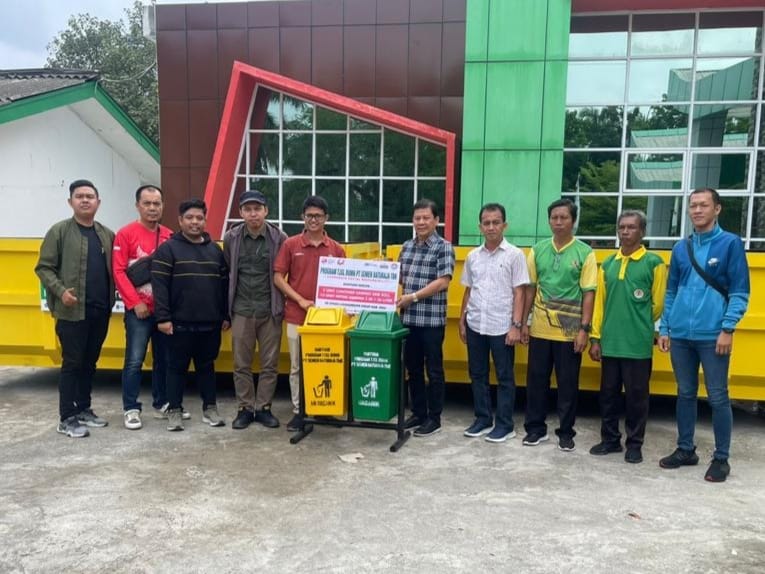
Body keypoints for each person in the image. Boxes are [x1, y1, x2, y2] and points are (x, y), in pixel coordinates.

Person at [658, 188, 750, 482]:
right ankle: (686, 449)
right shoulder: (680, 248)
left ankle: (721, 458)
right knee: (685, 393)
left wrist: (728, 328)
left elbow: (740, 292)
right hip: (681, 336)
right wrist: (665, 327)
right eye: (693, 205)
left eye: (703, 205)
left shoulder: (730, 244)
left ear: (717, 209)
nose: (697, 210)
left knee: (718, 396)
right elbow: (671, 292)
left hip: (713, 336)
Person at [35, 179, 114, 438]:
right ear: (71, 202)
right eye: (79, 196)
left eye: (90, 196)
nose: (85, 200)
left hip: (100, 311)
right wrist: (61, 291)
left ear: (98, 202)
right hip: (72, 313)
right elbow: (43, 267)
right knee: (72, 363)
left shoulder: (106, 234)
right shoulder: (59, 231)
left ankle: (83, 408)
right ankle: (66, 417)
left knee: (90, 363)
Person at [588, 210, 666, 464]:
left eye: (631, 227)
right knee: (608, 395)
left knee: (637, 398)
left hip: (637, 344)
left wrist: (638, 322)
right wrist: (595, 338)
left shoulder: (654, 263)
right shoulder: (608, 264)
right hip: (610, 342)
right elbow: (599, 304)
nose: (625, 231)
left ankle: (634, 444)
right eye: (622, 227)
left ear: (642, 231)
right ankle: (610, 440)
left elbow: (658, 304)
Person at [521, 198, 597, 452]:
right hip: (540, 329)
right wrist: (524, 322)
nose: (559, 222)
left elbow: (589, 293)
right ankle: (535, 429)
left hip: (570, 332)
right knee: (536, 383)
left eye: (564, 217)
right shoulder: (538, 250)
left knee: (568, 386)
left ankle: (566, 433)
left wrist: (584, 330)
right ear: (549, 221)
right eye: (554, 217)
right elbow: (530, 289)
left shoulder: (585, 253)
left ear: (573, 221)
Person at [151, 199, 229, 432]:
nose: (195, 222)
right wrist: (163, 318)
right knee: (175, 368)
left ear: (205, 220)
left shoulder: (215, 251)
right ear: (180, 220)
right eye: (190, 218)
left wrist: (225, 315)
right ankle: (174, 411)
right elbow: (159, 287)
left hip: (210, 324)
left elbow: (224, 286)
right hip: (178, 324)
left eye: (199, 218)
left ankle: (210, 409)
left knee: (207, 367)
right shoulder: (168, 249)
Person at [273, 195, 345, 431]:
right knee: (297, 366)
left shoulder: (336, 249)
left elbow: (345, 282)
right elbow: (278, 277)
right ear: (302, 217)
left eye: (318, 216)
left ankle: (324, 409)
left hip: (328, 320)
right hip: (297, 315)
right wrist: (300, 300)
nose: (314, 220)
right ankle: (299, 411)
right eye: (309, 216)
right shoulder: (291, 245)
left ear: (326, 218)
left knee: (326, 364)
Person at [459, 203, 529, 443]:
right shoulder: (472, 257)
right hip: (476, 323)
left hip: (502, 327)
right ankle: (482, 419)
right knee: (477, 374)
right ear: (480, 227)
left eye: (496, 222)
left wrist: (516, 326)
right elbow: (469, 290)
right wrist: (462, 320)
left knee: (504, 377)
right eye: (486, 223)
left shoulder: (515, 255)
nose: (491, 227)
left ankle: (505, 424)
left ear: (504, 225)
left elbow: (520, 292)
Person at [224, 190, 287, 430]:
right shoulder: (231, 238)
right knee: (241, 363)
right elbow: (228, 270)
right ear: (241, 212)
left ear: (266, 211)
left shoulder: (279, 237)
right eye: (248, 210)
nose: (253, 214)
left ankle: (263, 408)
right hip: (241, 309)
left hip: (270, 309)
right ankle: (245, 408)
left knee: (270, 363)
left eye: (257, 209)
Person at [113, 185, 174, 430]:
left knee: (164, 360)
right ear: (137, 205)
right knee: (134, 361)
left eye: (156, 203)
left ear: (163, 206)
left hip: (163, 312)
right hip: (137, 311)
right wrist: (135, 302)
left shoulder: (169, 235)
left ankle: (162, 403)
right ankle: (131, 408)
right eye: (147, 203)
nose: (152, 208)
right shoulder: (125, 234)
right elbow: (118, 272)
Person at [397, 199, 455, 438]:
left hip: (431, 322)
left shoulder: (443, 247)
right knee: (413, 369)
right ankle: (419, 413)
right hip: (409, 320)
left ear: (436, 220)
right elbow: (398, 277)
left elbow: (443, 281)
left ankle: (434, 418)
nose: (421, 222)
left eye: (426, 218)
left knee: (434, 370)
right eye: (417, 218)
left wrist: (413, 297)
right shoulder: (406, 247)